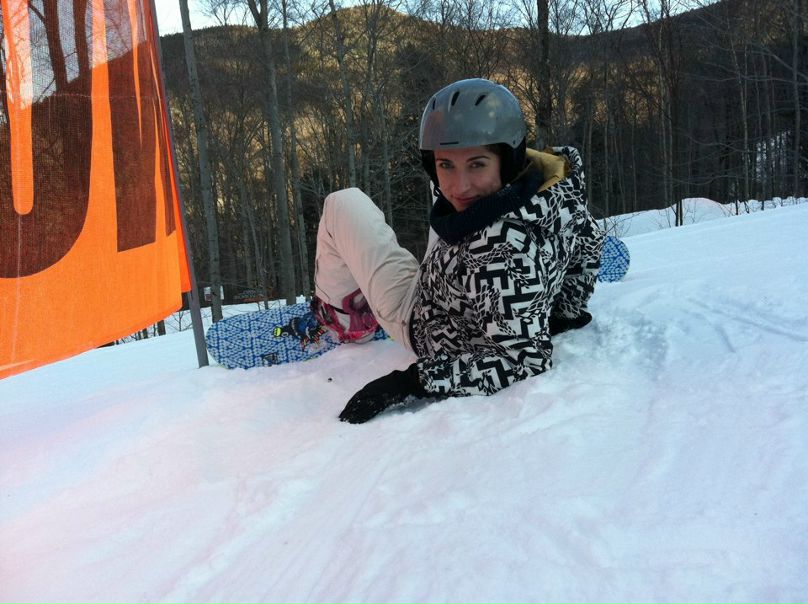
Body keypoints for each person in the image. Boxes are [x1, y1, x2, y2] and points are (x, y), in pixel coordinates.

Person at [311, 78, 604, 424]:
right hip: (451, 279)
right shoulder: (557, 186)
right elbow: (588, 239)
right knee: (451, 186)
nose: (459, 186)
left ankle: (345, 319)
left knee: (343, 203)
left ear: (507, 159)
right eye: (445, 165)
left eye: (477, 164)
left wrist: (411, 382)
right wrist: (564, 310)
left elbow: (524, 361)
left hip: (419, 318)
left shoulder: (501, 255)